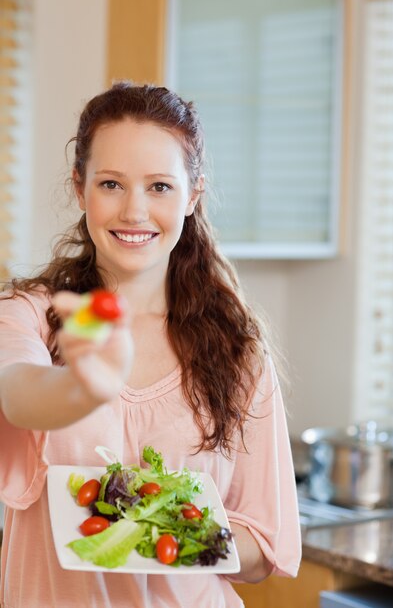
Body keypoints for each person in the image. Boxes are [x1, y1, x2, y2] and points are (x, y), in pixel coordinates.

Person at [0, 81, 301, 608]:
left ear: (193, 196)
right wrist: (80, 387)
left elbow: (265, 547)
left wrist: (167, 532)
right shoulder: (28, 316)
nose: (134, 211)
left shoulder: (238, 353)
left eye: (160, 186)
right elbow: (18, 393)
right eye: (111, 184)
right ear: (80, 188)